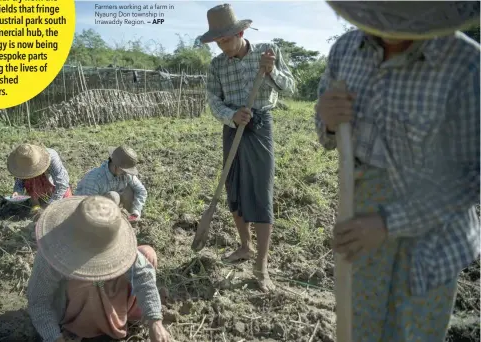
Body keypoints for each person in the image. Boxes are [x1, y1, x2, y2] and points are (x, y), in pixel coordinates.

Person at [317, 1, 480, 341]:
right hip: (359, 219)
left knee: (410, 333)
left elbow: (471, 176)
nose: (388, 31)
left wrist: (390, 222)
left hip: (433, 232)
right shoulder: (346, 50)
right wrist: (328, 122)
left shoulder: (466, 65)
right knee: (357, 327)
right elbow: (326, 133)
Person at [199, 3, 295, 292]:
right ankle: (244, 246)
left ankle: (261, 265)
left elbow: (290, 87)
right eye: (217, 42)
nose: (222, 47)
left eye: (226, 40)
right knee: (235, 188)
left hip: (260, 125)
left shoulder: (267, 51)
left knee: (260, 191)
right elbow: (213, 100)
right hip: (232, 126)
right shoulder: (217, 65)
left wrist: (271, 72)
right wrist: (231, 115)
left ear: (240, 32)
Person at [26, 195, 171, 342]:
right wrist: (54, 337)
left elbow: (143, 275)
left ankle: (125, 315)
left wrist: (155, 321)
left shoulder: (113, 243)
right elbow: (39, 301)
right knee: (89, 283)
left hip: (109, 290)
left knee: (147, 254)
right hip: (75, 303)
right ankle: (85, 329)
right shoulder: (54, 251)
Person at [74, 145, 147, 222]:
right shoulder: (94, 179)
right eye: (125, 170)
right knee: (113, 196)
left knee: (129, 192)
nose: (126, 173)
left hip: (109, 206)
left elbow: (141, 191)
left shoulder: (125, 174)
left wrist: (136, 211)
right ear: (116, 165)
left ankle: (129, 221)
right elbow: (86, 207)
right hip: (91, 208)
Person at [8, 143, 72, 219]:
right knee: (30, 185)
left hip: (51, 184)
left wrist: (49, 206)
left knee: (66, 208)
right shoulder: (20, 161)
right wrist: (17, 191)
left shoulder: (51, 156)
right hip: (35, 187)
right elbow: (19, 180)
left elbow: (62, 184)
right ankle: (36, 204)